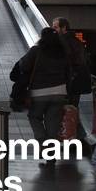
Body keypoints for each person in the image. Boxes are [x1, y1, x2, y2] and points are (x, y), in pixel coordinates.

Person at [11, 27, 69, 165]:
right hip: (60, 92)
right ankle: (51, 152)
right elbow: (69, 72)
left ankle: (42, 141)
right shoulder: (63, 52)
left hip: (39, 92)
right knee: (53, 122)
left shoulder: (36, 50)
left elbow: (24, 66)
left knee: (34, 117)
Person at [53, 17, 92, 145]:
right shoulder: (76, 40)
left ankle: (70, 138)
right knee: (73, 108)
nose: (53, 29)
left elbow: (67, 61)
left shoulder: (63, 41)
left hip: (70, 81)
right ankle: (79, 136)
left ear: (64, 27)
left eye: (56, 27)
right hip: (78, 80)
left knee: (65, 109)